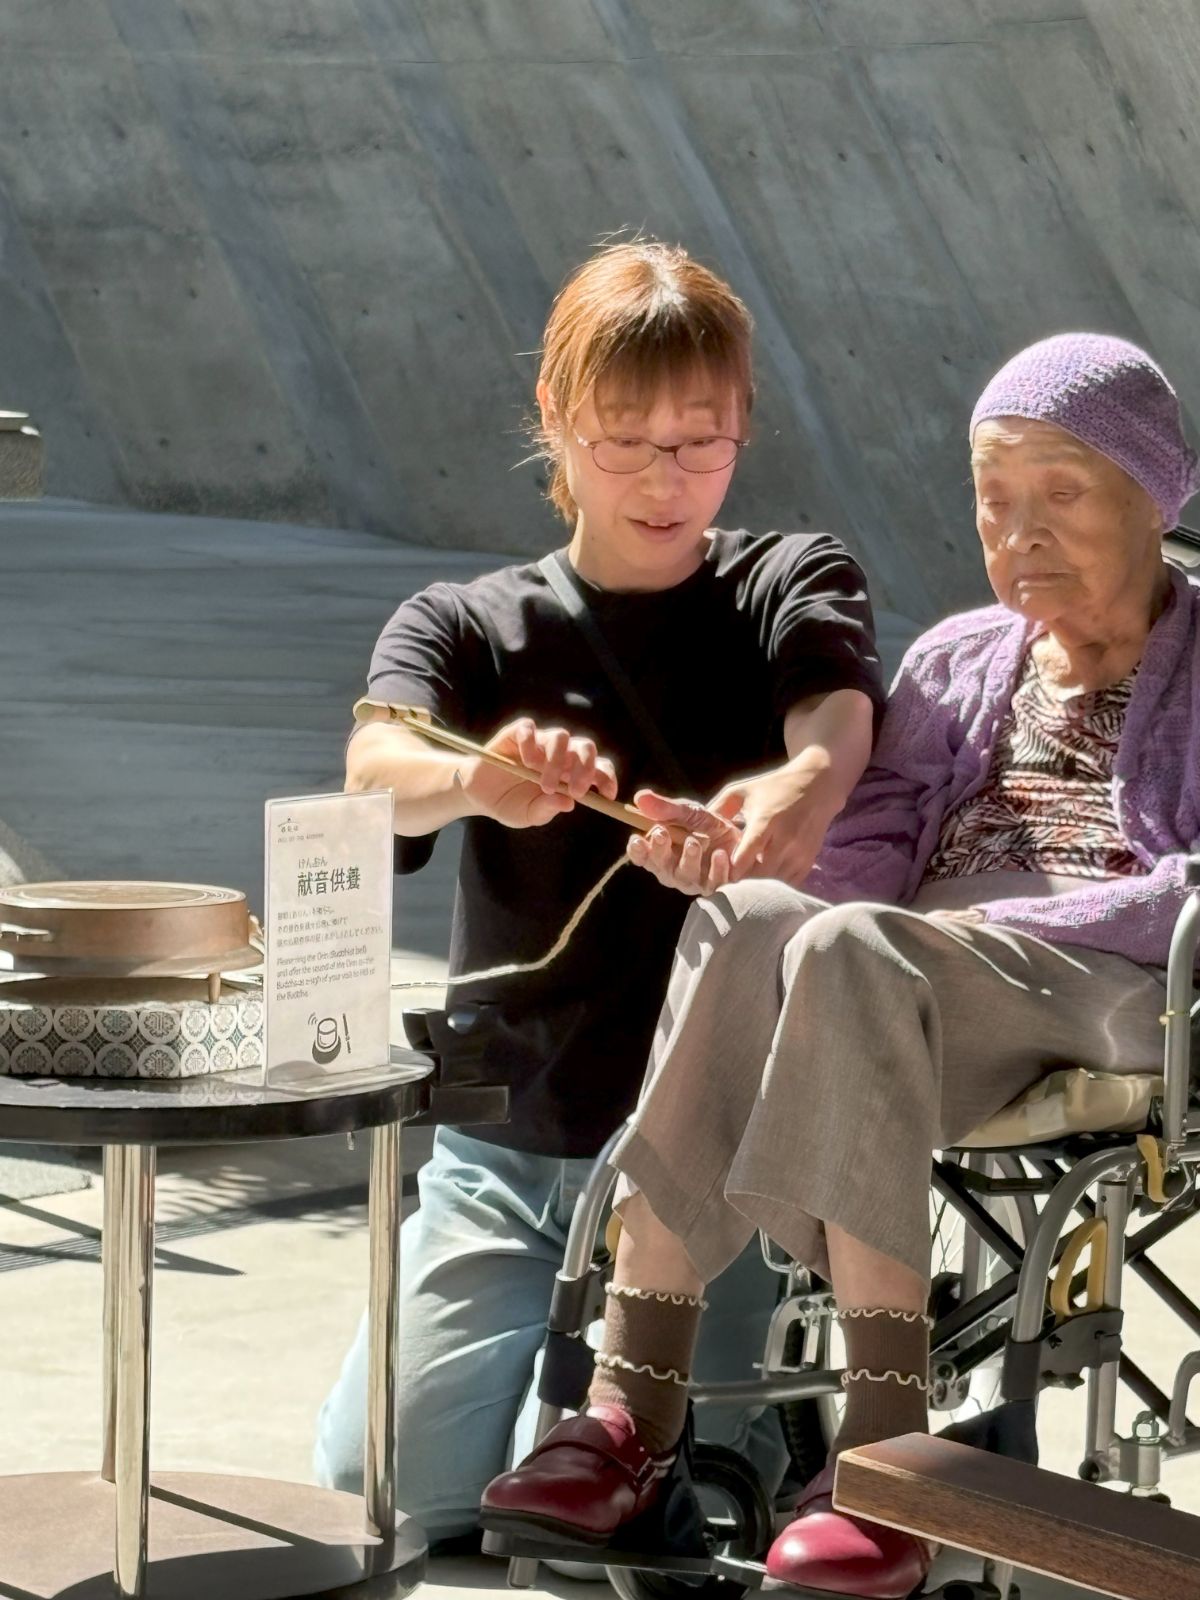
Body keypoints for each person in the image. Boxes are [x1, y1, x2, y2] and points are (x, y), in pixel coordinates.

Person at [481, 331, 1200, 1598]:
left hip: (1112, 984)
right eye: (993, 499)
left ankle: (883, 1459)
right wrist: (745, 864)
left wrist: (981, 929)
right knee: (751, 919)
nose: (1019, 532)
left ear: (1156, 493)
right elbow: (864, 862)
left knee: (857, 947)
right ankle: (629, 1412)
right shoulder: (956, 660)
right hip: (911, 979)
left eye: (1062, 493)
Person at [312, 239, 886, 1541]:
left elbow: (836, 706)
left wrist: (802, 786)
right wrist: (478, 778)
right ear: (556, 419)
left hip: (710, 1168)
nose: (665, 479)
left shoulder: (786, 581)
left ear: (745, 426)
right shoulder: (464, 622)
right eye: (627, 440)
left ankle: (684, 1419)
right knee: (381, 1492)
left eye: (702, 439)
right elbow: (373, 770)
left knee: (657, 1504)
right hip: (506, 1145)